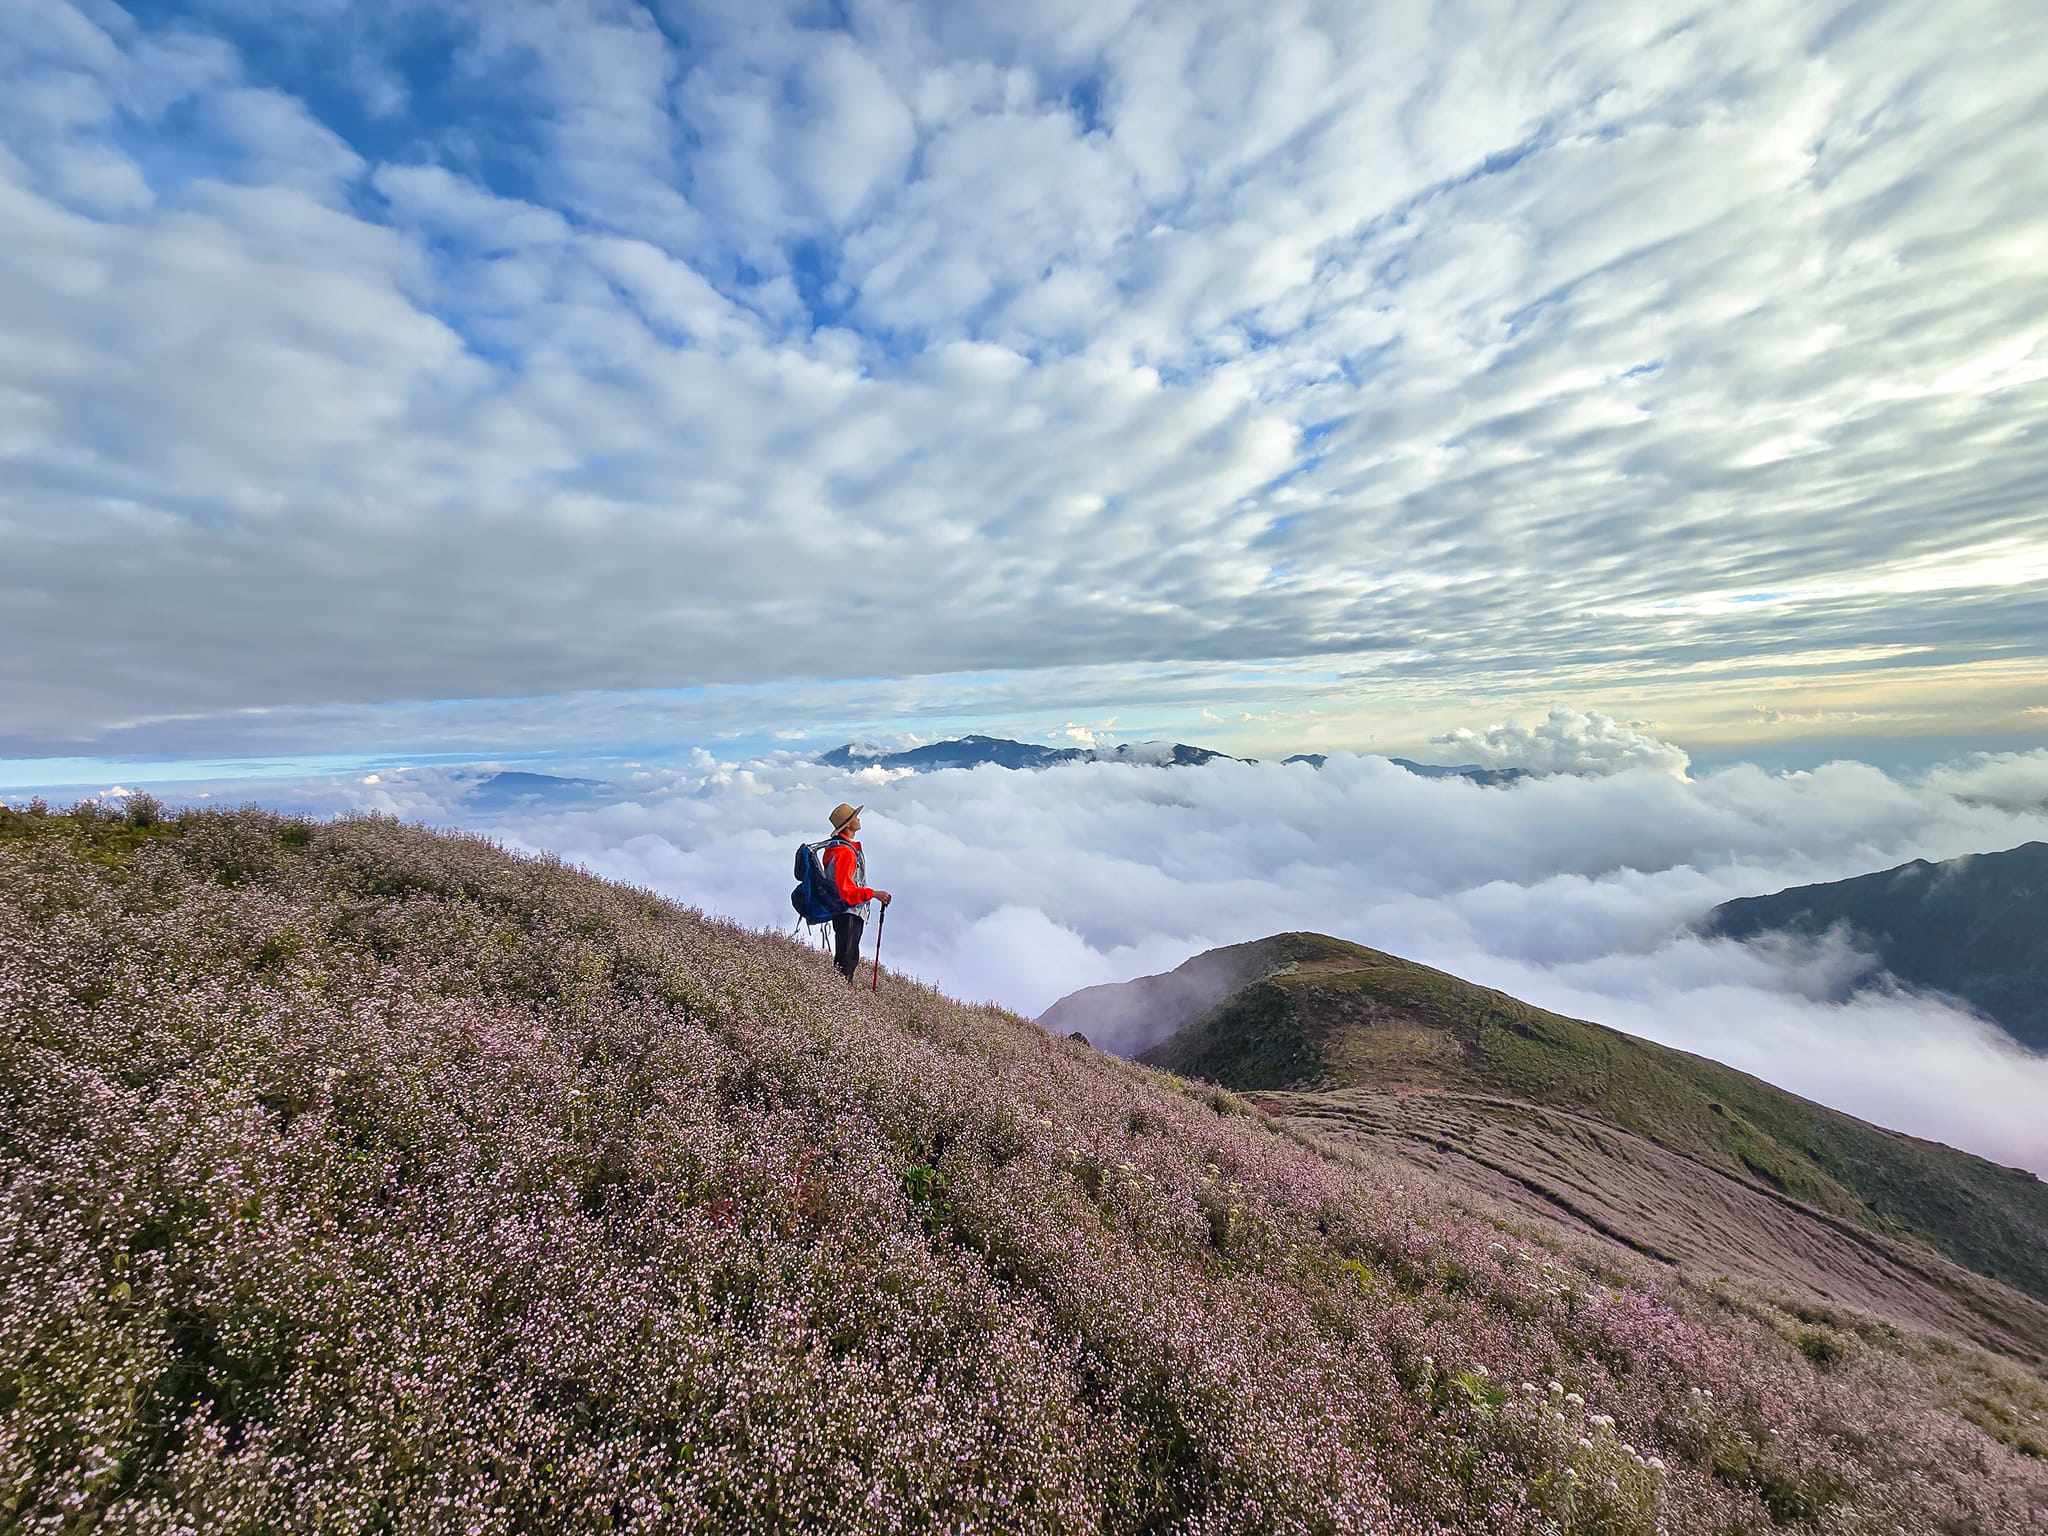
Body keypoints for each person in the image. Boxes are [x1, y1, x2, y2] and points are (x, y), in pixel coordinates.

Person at [820, 802, 891, 983]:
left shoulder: (836, 847)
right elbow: (846, 891)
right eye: (855, 817)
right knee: (847, 960)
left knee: (844, 957)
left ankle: (838, 993)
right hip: (849, 913)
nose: (858, 819)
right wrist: (874, 894)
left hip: (842, 912)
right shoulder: (845, 852)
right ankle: (841, 996)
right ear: (848, 824)